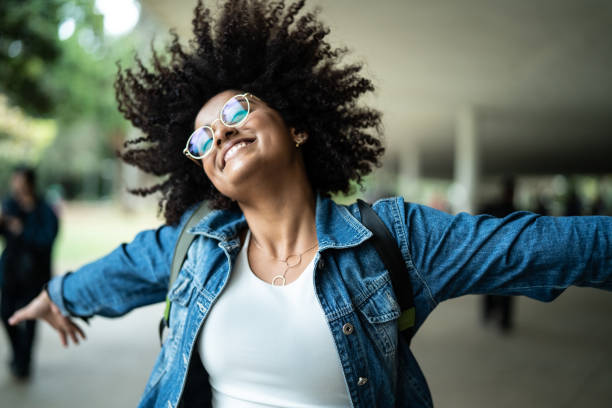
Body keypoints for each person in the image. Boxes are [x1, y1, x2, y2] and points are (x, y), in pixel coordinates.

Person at [8, 1, 612, 407]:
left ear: (296, 128)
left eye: (237, 111)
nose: (219, 135)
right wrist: (58, 297)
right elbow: (129, 264)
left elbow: (543, 247)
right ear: (207, 174)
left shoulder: (395, 240)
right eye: (202, 138)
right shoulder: (199, 242)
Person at [1, 165, 58, 380]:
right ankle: (18, 354)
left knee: (32, 318)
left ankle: (25, 362)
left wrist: (22, 230)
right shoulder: (9, 205)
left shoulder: (45, 210)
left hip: (35, 274)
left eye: (21, 181)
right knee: (6, 314)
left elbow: (47, 239)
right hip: (10, 273)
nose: (17, 185)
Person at [480, 177, 517, 333]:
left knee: (494, 286)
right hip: (503, 254)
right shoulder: (513, 209)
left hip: (495, 254)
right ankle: (501, 319)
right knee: (504, 288)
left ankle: (495, 316)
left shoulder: (493, 207)